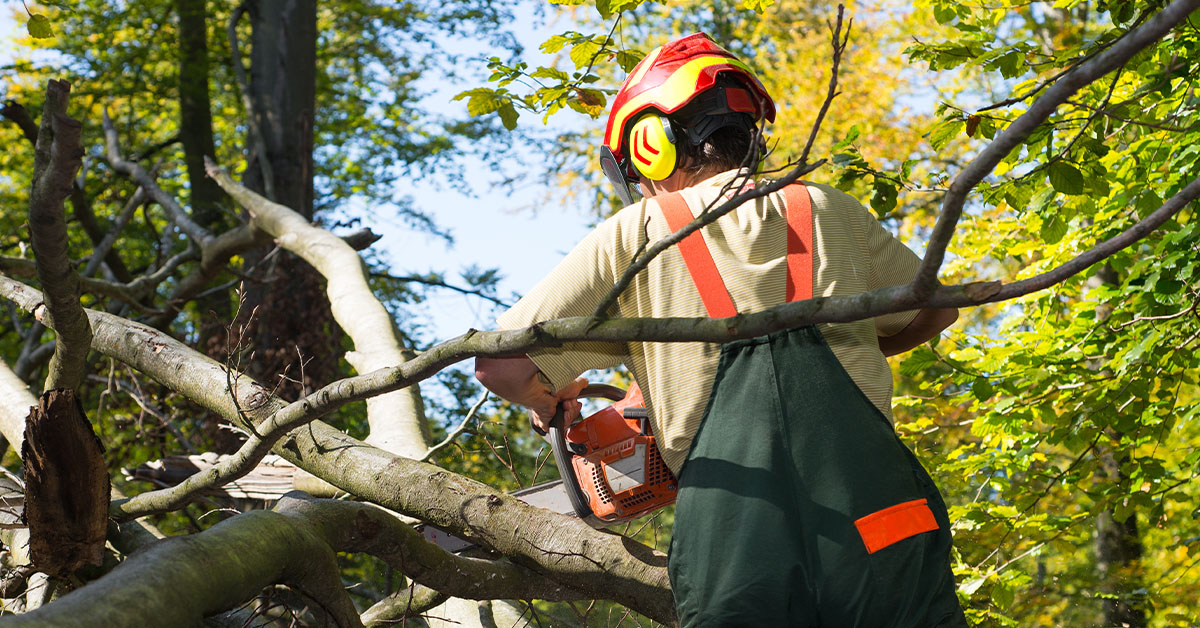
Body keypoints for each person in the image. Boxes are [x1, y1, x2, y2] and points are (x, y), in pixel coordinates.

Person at [475, 33, 967, 627]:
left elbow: (501, 364)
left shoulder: (637, 232)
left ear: (649, 144)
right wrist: (856, 342)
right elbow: (936, 310)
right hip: (879, 514)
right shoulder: (825, 208)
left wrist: (543, 394)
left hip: (740, 534)